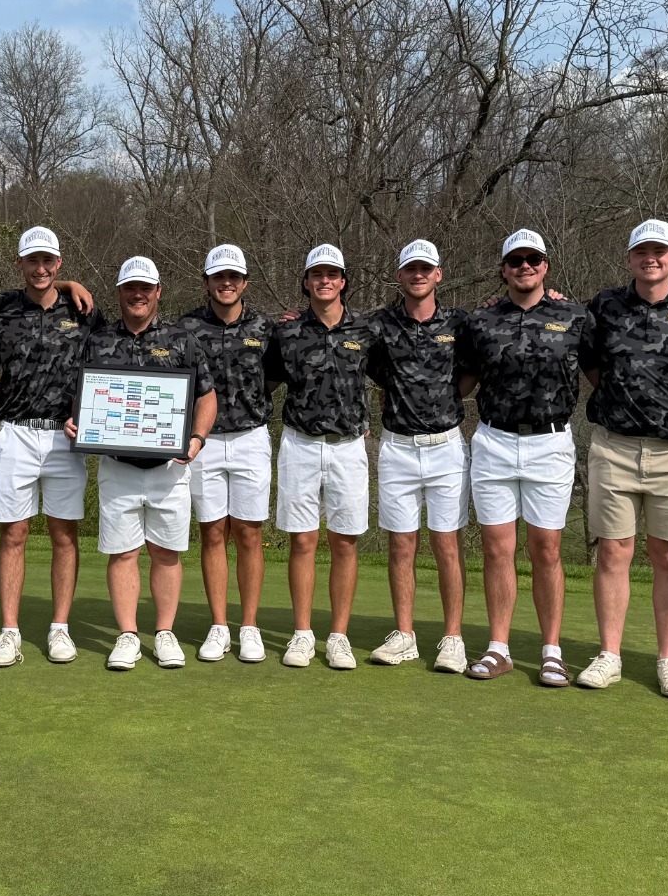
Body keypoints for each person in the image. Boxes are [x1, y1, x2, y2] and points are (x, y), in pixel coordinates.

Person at [578, 218, 668, 695]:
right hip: (613, 446)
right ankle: (609, 655)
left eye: (659, 251)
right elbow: (585, 357)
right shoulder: (605, 305)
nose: (651, 259)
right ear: (630, 259)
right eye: (642, 252)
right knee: (613, 552)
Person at [70, 256, 218, 670]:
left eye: (145, 288)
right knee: (122, 553)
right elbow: (83, 396)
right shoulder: (98, 340)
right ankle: (128, 635)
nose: (138, 295)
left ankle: (165, 632)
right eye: (130, 288)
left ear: (158, 292)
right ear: (120, 292)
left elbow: (207, 396)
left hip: (169, 468)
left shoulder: (181, 339)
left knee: (166, 552)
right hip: (118, 467)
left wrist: (196, 439)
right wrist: (77, 423)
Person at [458, 229, 592, 686]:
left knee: (546, 549)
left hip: (550, 444)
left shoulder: (575, 316)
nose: (525, 267)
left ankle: (552, 651)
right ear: (504, 269)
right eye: (515, 260)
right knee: (497, 548)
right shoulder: (480, 321)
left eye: (533, 259)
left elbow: (601, 374)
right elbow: (461, 381)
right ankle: (499, 648)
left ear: (545, 266)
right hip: (494, 441)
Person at [0, 226, 100, 667]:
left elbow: (109, 361)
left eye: (48, 261)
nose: (41, 268)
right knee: (14, 533)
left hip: (66, 437)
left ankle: (59, 628)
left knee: (64, 534)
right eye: (33, 260)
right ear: (20, 264)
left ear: (59, 262)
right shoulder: (2, 309)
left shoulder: (83, 311)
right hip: (16, 433)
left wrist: (70, 286)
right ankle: (9, 631)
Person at [364, 240, 470, 674]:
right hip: (397, 447)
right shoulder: (379, 324)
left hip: (447, 447)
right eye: (411, 269)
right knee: (401, 543)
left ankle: (453, 638)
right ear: (400, 275)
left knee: (447, 543)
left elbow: (471, 373)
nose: (418, 275)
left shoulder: (460, 323)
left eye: (426, 268)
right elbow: (345, 341)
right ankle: (404, 634)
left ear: (438, 274)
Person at [266, 244, 373, 670]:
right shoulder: (287, 331)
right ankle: (302, 633)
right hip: (300, 444)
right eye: (317, 274)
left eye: (332, 274)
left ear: (343, 281)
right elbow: (265, 381)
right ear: (306, 282)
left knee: (344, 541)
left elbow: (392, 375)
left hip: (349, 446)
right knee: (303, 540)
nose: (324, 281)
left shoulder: (367, 329)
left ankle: (339, 636)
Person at [182, 244, 273, 663]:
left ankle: (249, 626)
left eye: (233, 277)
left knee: (249, 533)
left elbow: (277, 375)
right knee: (213, 531)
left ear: (245, 282)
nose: (226, 283)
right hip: (204, 440)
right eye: (219, 277)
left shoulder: (266, 327)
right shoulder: (186, 328)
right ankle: (219, 626)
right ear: (207, 282)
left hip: (251, 437)